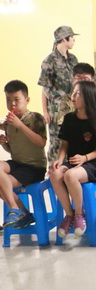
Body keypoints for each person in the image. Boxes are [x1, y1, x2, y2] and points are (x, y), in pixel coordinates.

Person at [50, 81, 96, 239]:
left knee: (70, 176)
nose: (73, 96)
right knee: (55, 174)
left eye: (78, 93)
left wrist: (85, 158)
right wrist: (59, 160)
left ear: (88, 98)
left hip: (94, 163)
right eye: (73, 92)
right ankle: (69, 214)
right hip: (74, 162)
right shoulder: (69, 118)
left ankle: (79, 214)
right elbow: (64, 144)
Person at [58, 63, 96, 189]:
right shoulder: (67, 100)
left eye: (85, 79)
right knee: (59, 170)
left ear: (92, 80)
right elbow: (65, 129)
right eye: (78, 78)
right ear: (73, 80)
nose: (81, 82)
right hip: (74, 140)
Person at [0, 80, 47, 229]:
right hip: (17, 163)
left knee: (2, 183)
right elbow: (13, 151)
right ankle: (21, 212)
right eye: (8, 100)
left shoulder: (35, 118)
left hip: (34, 167)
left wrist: (20, 125)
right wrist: (4, 144)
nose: (12, 104)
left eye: (16, 100)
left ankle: (19, 211)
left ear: (27, 100)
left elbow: (41, 143)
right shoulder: (8, 123)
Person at [38, 25, 79, 163]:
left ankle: (69, 169)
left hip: (74, 107)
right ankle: (53, 170)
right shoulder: (49, 61)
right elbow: (45, 88)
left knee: (73, 139)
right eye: (72, 37)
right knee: (57, 142)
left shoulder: (73, 59)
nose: (73, 40)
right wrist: (45, 111)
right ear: (64, 39)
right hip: (57, 110)